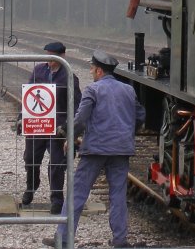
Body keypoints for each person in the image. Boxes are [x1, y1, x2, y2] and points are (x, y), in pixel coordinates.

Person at [44, 50, 146, 249]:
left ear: (99, 71)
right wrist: (126, 133)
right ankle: (120, 240)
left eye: (92, 68)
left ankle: (63, 239)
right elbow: (140, 116)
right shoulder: (128, 90)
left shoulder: (93, 90)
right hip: (121, 150)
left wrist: (66, 133)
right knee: (118, 194)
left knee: (77, 193)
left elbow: (81, 119)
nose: (91, 71)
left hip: (96, 149)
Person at [20, 41, 81, 213]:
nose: (49, 61)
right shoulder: (38, 71)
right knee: (31, 158)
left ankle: (56, 198)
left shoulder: (69, 76)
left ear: (62, 56)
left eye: (52, 57)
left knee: (56, 163)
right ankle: (31, 186)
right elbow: (28, 96)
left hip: (58, 126)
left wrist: (70, 127)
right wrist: (22, 117)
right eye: (47, 56)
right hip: (37, 123)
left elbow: (77, 104)